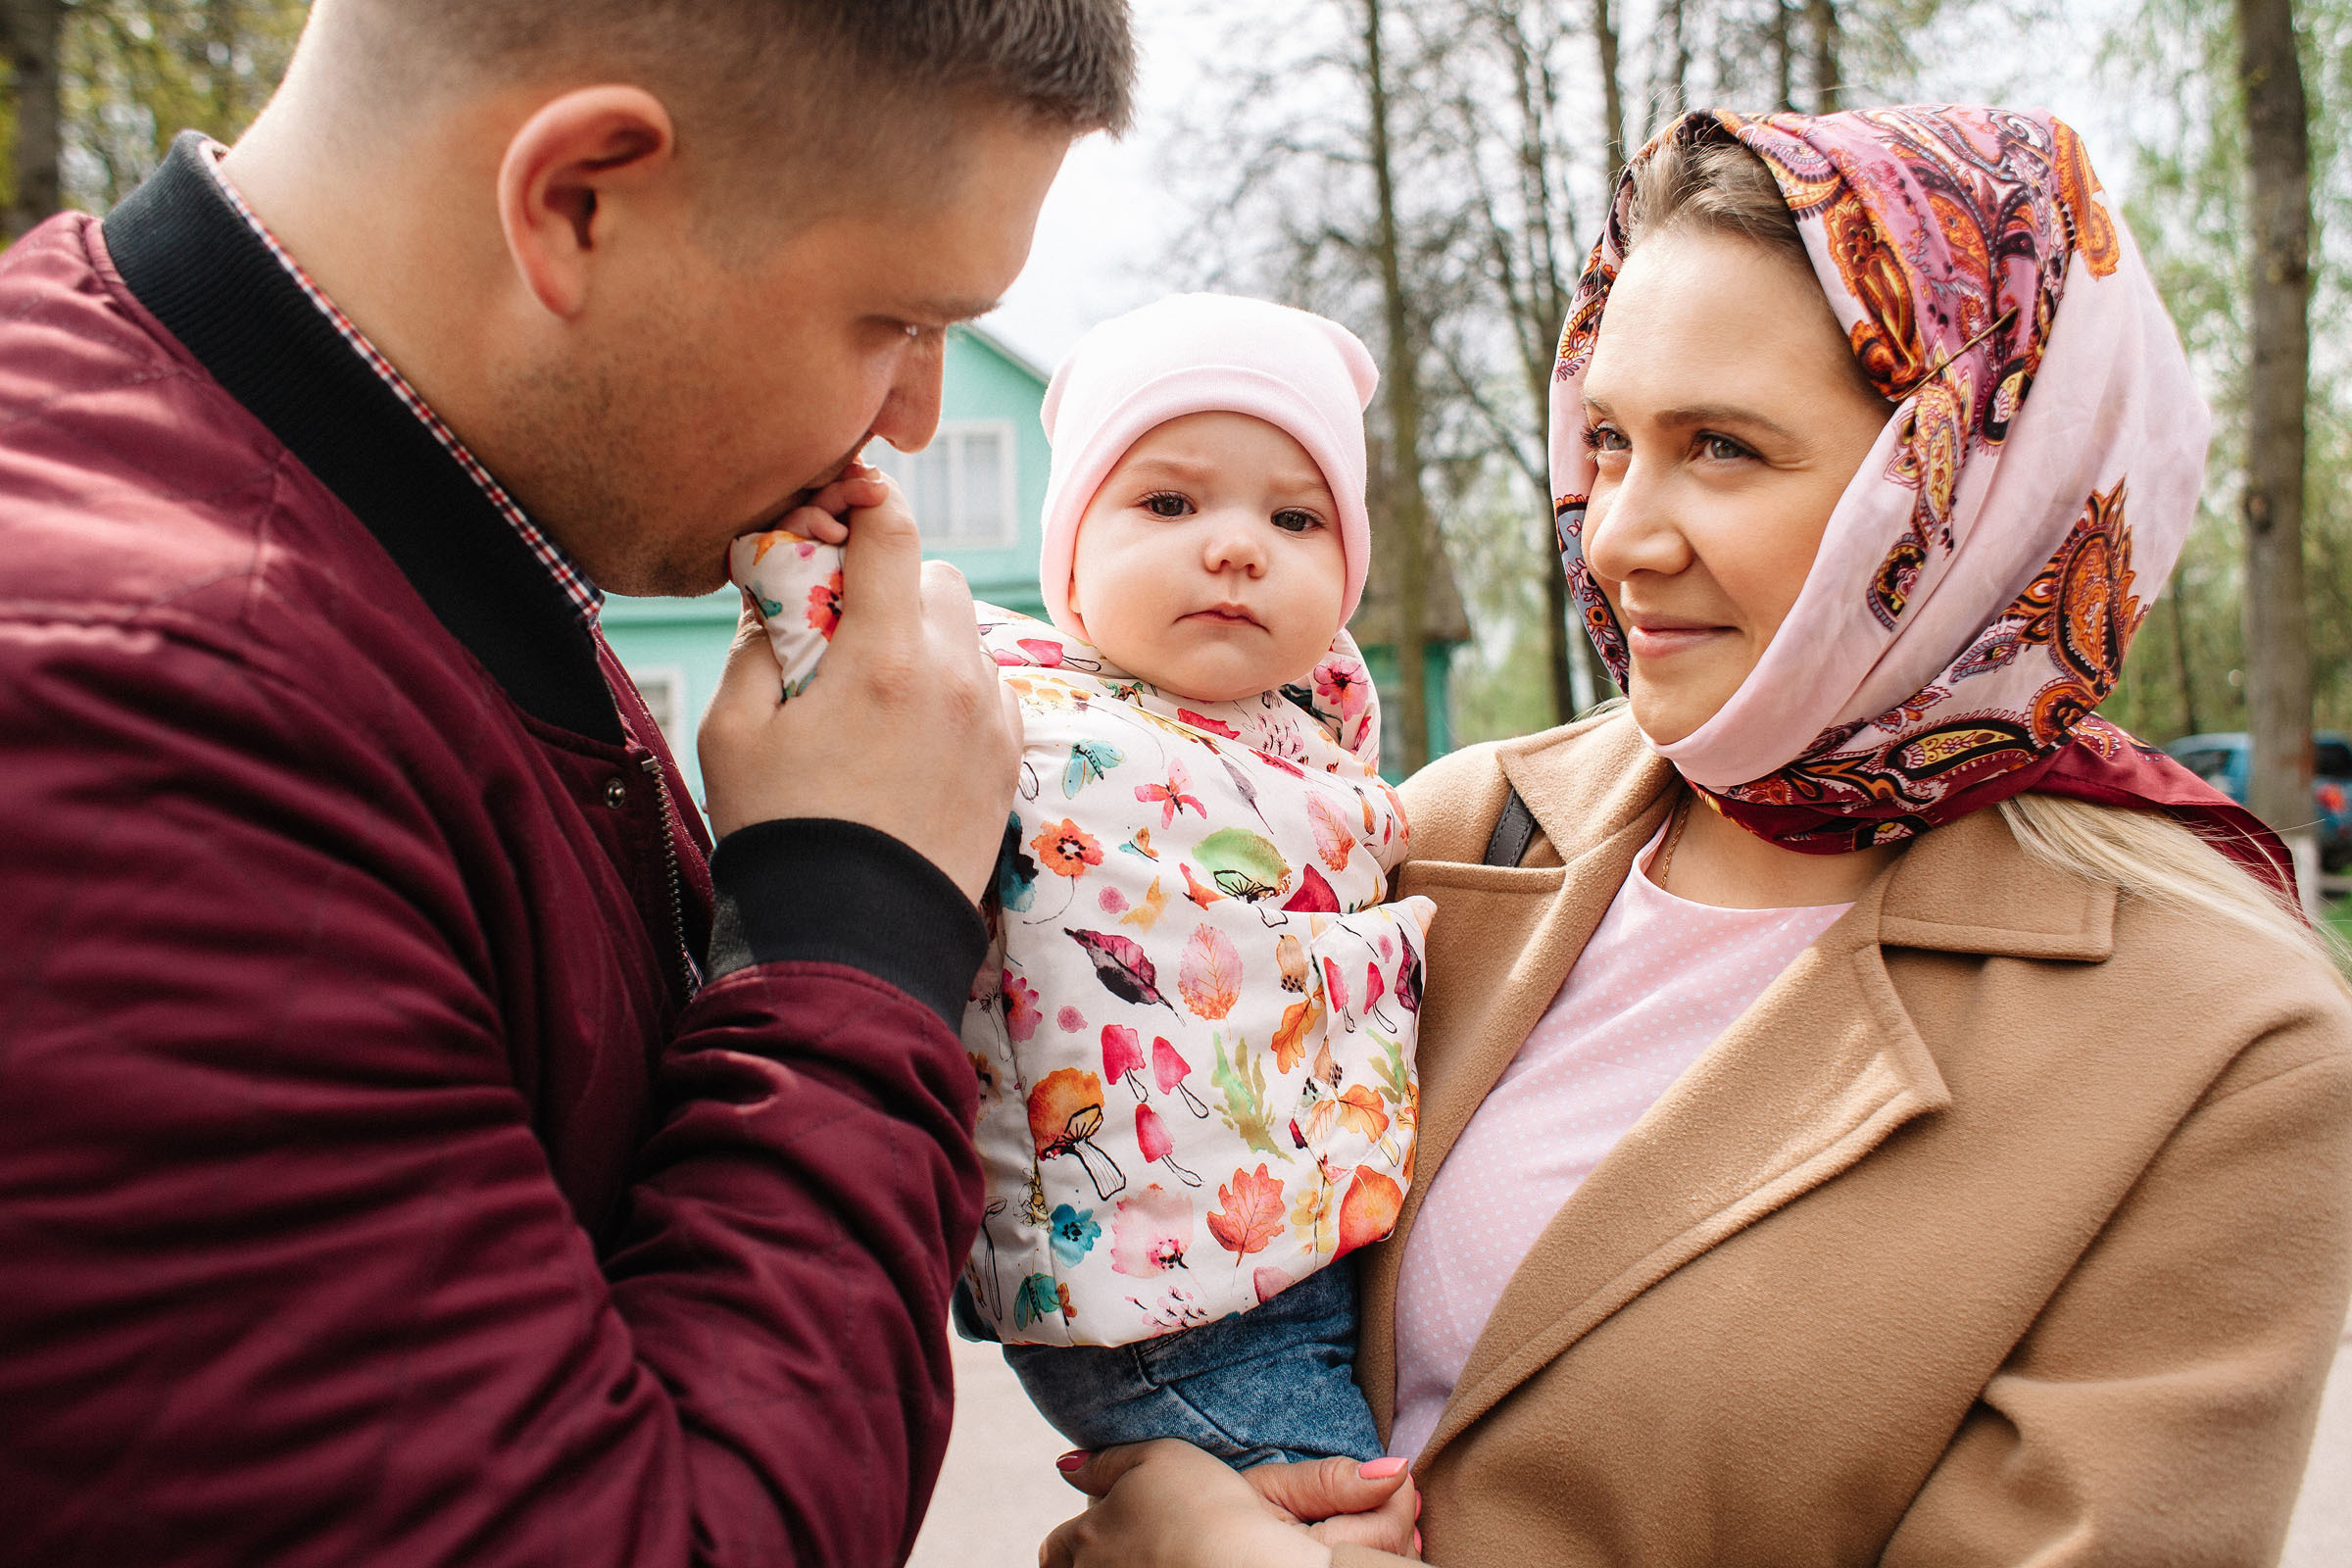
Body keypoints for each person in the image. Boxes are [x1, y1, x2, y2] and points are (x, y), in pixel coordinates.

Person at [1038, 106, 2352, 1568]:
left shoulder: (2222, 1048)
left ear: (1971, 489)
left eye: (1721, 447)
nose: (1614, 534)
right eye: (1607, 439)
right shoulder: (1444, 835)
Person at [0, 1, 1132, 1563]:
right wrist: (859, 914)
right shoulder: (137, 725)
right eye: (897, 320)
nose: (918, 420)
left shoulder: (408, 539)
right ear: (581, 199)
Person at [731, 293, 1435, 1468]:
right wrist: (810, 532)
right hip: (1162, 1302)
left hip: (1317, 1249)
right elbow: (839, 650)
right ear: (1071, 548)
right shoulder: (1010, 699)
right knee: (1344, 1528)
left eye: (1298, 517)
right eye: (1167, 501)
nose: (1236, 544)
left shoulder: (1314, 741)